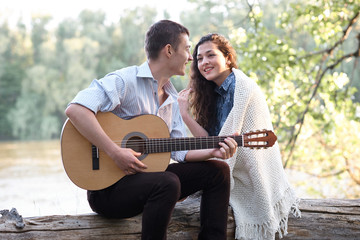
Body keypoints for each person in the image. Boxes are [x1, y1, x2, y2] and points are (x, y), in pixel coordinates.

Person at [65, 21, 239, 240]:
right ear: (168, 50)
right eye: (186, 49)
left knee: (218, 171)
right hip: (107, 190)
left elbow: (178, 151)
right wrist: (115, 152)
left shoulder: (173, 99)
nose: (190, 57)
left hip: (147, 181)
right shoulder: (125, 81)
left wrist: (212, 152)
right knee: (167, 182)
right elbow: (76, 109)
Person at [178, 33, 300, 239]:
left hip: (247, 172)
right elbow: (211, 140)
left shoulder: (242, 88)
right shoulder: (212, 92)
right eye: (199, 58)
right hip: (223, 162)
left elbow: (233, 149)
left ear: (227, 57)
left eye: (210, 55)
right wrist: (185, 115)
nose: (204, 62)